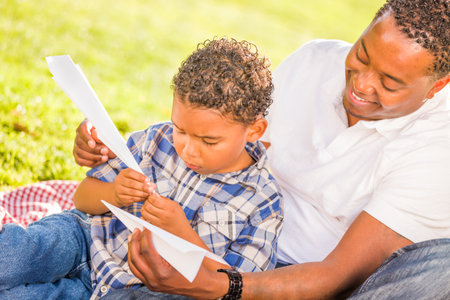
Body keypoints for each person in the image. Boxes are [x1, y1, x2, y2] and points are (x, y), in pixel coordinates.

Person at [74, 0, 450, 299]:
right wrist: (111, 151)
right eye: (363, 56)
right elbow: (228, 137)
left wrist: (223, 286)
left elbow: (337, 277)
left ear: (437, 86)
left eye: (389, 81)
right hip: (213, 232)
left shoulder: (437, 149)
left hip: (294, 279)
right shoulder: (315, 60)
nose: (362, 84)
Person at [0, 38, 283, 300]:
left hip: (140, 289)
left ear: (254, 130)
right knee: (15, 255)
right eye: (180, 129)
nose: (188, 149)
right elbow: (81, 198)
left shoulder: (262, 201)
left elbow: (236, 286)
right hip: (86, 239)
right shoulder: (156, 140)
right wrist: (114, 193)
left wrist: (182, 232)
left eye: (209, 141)